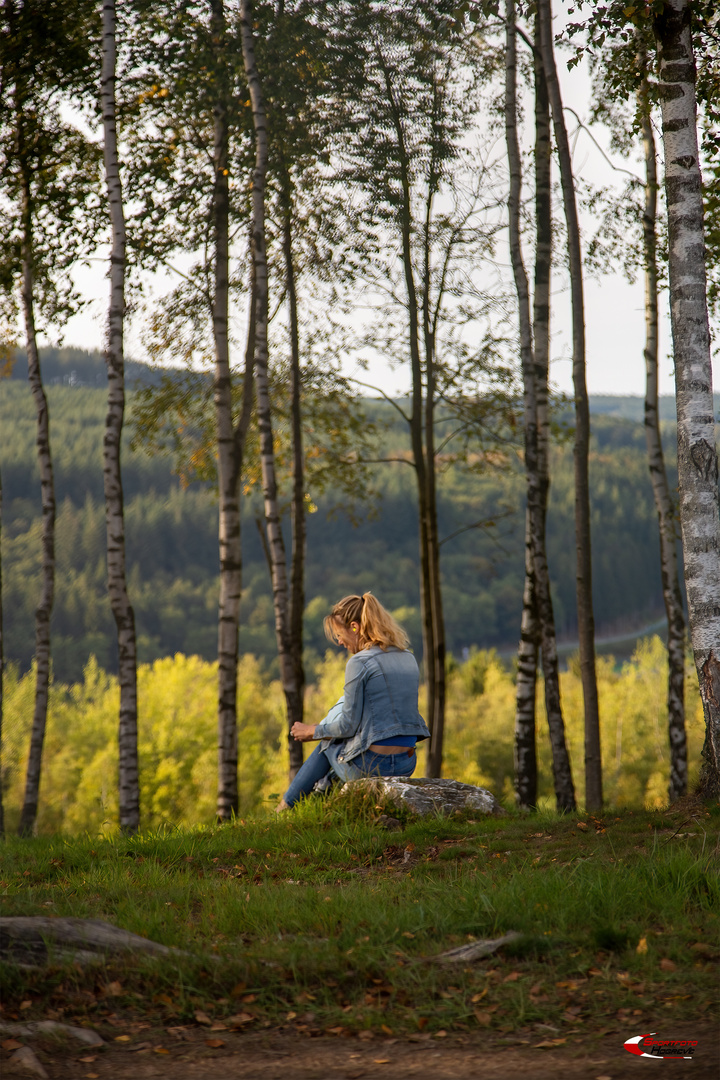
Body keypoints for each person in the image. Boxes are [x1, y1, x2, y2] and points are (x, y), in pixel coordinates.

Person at [277, 593, 430, 810]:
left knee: (327, 743)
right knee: (340, 746)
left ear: (355, 627)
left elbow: (347, 726)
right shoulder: (408, 657)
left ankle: (284, 808)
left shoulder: (359, 662)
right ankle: (324, 792)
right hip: (407, 762)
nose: (339, 642)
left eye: (340, 635)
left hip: (372, 766)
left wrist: (312, 730)